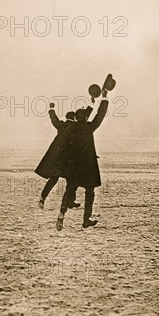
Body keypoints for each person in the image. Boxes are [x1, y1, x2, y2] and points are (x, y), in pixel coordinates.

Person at [56, 89, 109, 231]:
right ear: (85, 117)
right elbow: (100, 115)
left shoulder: (70, 128)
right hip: (87, 166)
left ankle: (62, 213)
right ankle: (86, 220)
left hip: (73, 166)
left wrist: (91, 104)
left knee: (70, 189)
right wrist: (104, 98)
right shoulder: (89, 127)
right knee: (89, 192)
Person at [35, 104, 81, 209]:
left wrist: (51, 109)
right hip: (69, 160)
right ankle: (70, 201)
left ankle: (42, 198)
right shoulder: (75, 127)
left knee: (53, 179)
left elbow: (54, 119)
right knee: (72, 180)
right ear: (74, 118)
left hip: (58, 159)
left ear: (66, 117)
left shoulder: (61, 126)